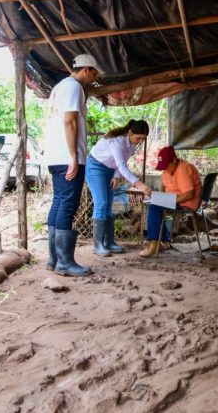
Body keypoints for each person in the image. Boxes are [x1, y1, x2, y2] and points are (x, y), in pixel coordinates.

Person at [44, 53, 101, 276]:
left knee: (59, 202)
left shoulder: (59, 87)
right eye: (94, 74)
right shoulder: (74, 87)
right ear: (86, 70)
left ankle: (54, 259)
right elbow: (69, 121)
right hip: (66, 156)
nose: (94, 79)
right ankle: (64, 263)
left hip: (54, 155)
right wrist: (73, 156)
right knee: (68, 204)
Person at [85, 119, 152, 256]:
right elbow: (122, 165)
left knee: (109, 206)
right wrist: (139, 185)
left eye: (143, 139)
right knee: (101, 204)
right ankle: (98, 245)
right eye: (138, 138)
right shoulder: (117, 140)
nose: (140, 141)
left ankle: (109, 242)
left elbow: (121, 162)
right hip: (95, 167)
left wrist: (115, 176)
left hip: (110, 171)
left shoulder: (132, 145)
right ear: (130, 132)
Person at [140, 146, 202, 257]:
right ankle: (164, 241)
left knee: (154, 207)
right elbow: (164, 185)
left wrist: (170, 201)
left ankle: (154, 243)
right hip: (175, 199)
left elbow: (189, 194)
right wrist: (162, 197)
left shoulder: (183, 169)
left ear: (173, 160)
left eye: (166, 166)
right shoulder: (170, 168)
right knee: (155, 203)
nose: (165, 169)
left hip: (187, 202)